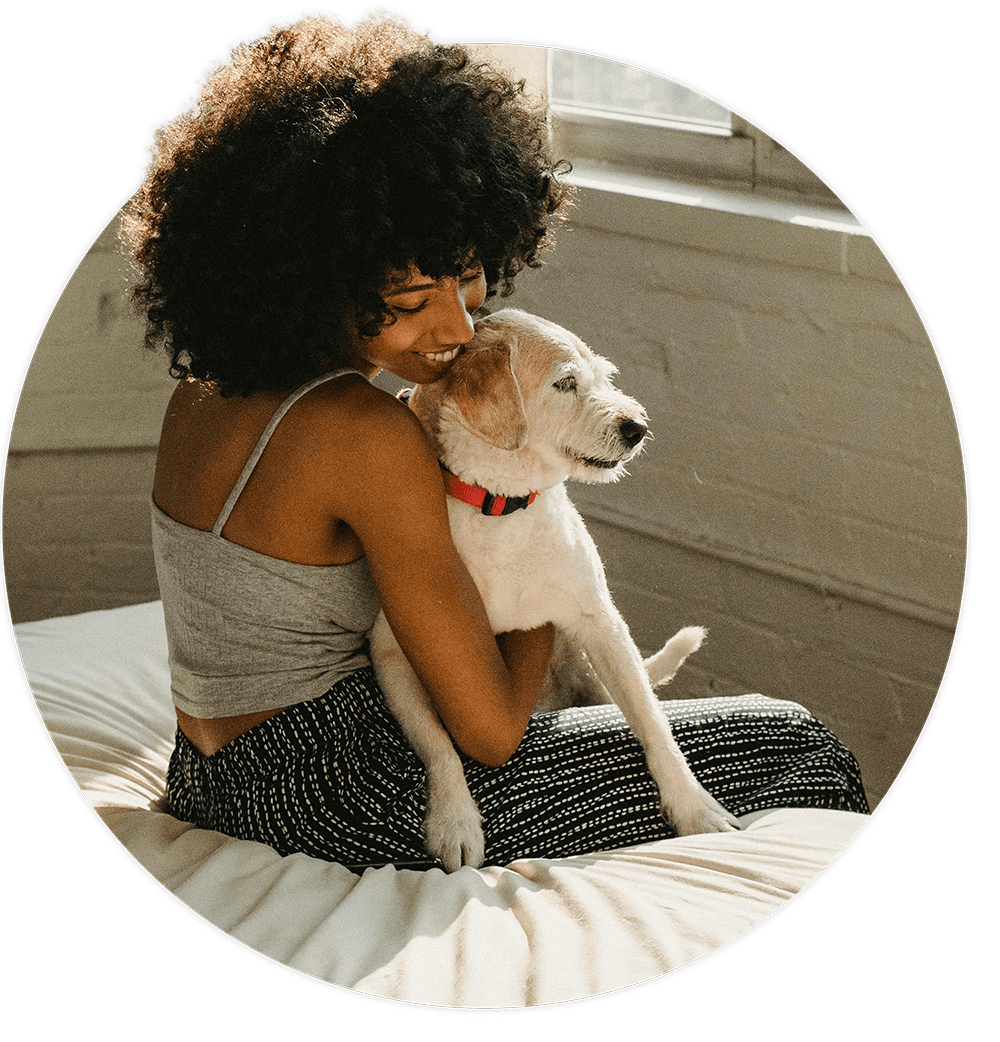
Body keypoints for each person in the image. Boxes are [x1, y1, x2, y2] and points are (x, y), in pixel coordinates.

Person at [122, 9, 866, 872]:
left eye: (467, 280)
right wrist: (552, 583)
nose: (455, 330)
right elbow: (493, 732)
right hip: (343, 797)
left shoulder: (202, 394)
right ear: (311, 277)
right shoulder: (367, 434)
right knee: (794, 743)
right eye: (407, 305)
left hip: (208, 775)